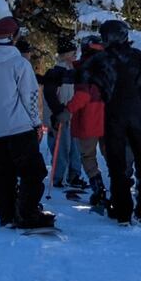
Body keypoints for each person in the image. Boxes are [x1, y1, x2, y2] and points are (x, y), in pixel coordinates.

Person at [83, 19, 141, 226]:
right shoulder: (140, 58)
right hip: (139, 116)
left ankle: (122, 211)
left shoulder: (99, 61)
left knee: (118, 166)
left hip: (114, 116)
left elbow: (83, 77)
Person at [0, 17, 54, 229]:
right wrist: (36, 123)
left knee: (5, 172)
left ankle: (7, 213)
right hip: (19, 127)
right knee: (33, 172)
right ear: (14, 36)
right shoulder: (19, 63)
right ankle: (27, 214)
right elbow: (30, 96)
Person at [66, 34, 107, 209]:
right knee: (111, 154)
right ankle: (120, 187)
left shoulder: (84, 68)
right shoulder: (109, 65)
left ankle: (99, 189)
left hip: (89, 117)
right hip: (109, 117)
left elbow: (82, 96)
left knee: (88, 155)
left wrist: (67, 109)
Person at [43, 37, 86, 190]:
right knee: (61, 148)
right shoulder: (55, 72)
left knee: (75, 147)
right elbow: (50, 96)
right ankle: (58, 176)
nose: (75, 56)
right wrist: (57, 112)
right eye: (73, 53)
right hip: (59, 117)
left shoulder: (73, 72)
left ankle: (74, 175)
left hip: (71, 115)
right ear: (66, 54)